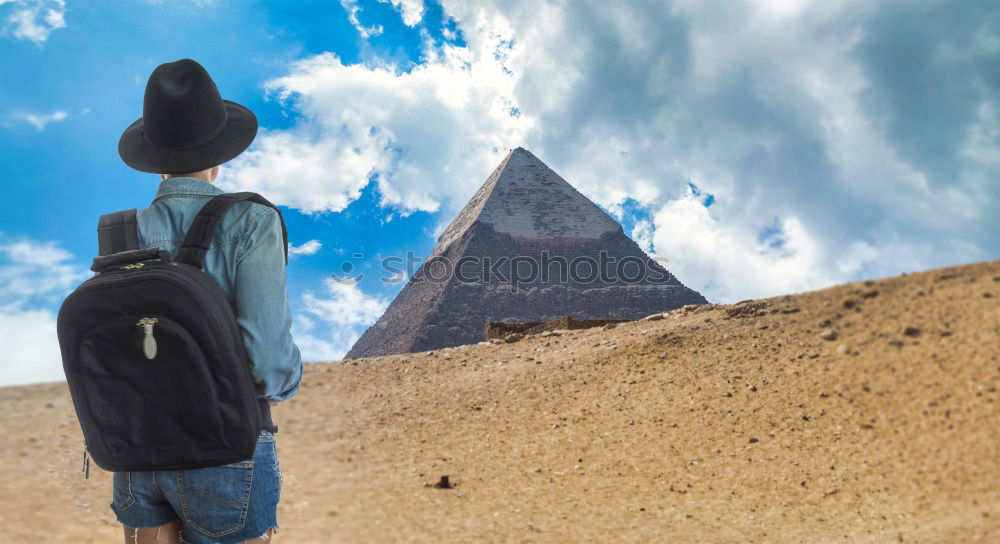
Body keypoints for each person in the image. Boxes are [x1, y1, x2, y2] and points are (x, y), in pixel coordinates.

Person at [109, 59, 303, 543]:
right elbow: (267, 362)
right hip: (224, 447)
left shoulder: (118, 231)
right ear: (221, 154)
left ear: (154, 157)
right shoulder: (252, 221)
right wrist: (286, 381)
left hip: (137, 449)